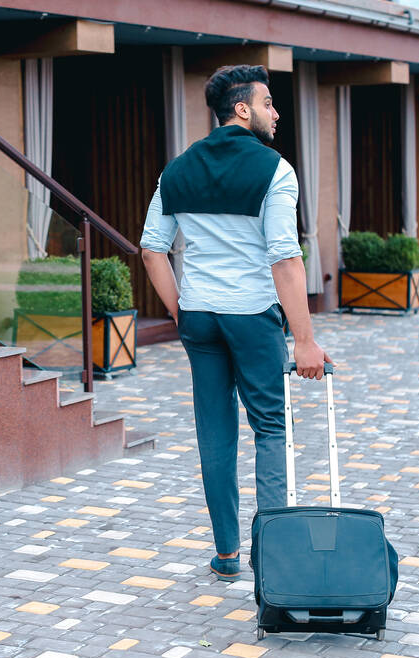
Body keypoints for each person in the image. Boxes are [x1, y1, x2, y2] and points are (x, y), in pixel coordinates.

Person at [139, 64, 332, 582]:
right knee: (270, 428)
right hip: (251, 317)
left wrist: (180, 308)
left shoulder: (176, 170)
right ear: (242, 109)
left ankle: (226, 553)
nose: (277, 113)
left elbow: (152, 250)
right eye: (269, 103)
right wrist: (307, 341)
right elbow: (285, 259)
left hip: (199, 317)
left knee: (215, 434)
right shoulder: (276, 170)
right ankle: (269, 554)